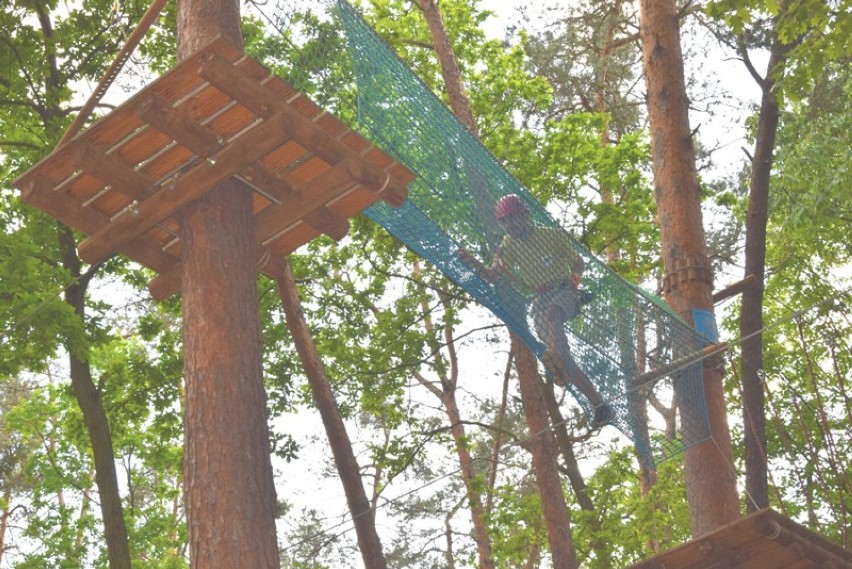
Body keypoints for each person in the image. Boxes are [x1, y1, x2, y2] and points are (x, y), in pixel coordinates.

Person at [458, 194, 613, 427]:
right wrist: (472, 262)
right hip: (539, 302)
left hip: (564, 291)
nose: (509, 226)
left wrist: (573, 285)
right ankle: (599, 406)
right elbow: (491, 276)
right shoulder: (507, 246)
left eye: (513, 219)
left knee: (553, 313)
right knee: (564, 363)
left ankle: (556, 356)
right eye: (505, 222)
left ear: (525, 216)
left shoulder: (550, 235)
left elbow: (578, 262)